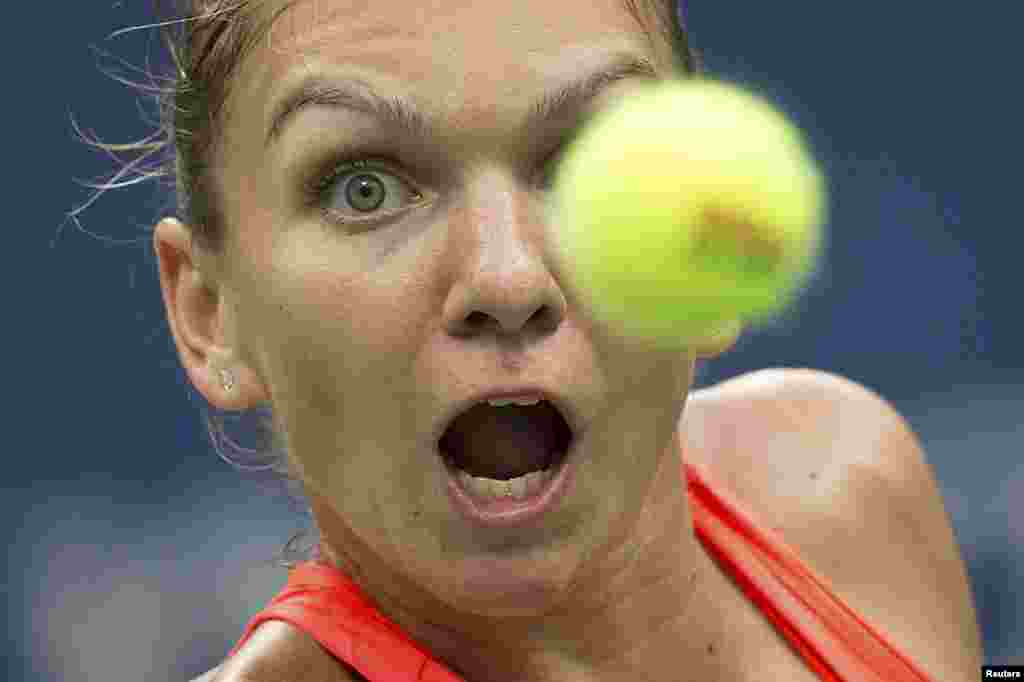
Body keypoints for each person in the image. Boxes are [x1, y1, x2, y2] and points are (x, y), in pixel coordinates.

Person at [125, 0, 984, 679]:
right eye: (364, 188)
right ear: (211, 314)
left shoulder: (852, 488)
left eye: (593, 161)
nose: (506, 281)